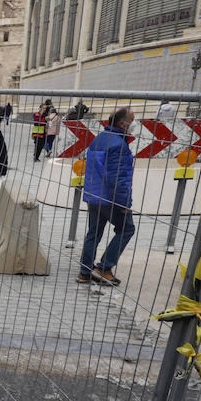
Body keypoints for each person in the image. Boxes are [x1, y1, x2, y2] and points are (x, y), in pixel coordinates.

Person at [78, 106, 137, 287]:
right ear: (122, 123)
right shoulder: (119, 145)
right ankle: (104, 268)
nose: (133, 126)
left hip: (93, 195)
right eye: (131, 122)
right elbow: (118, 178)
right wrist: (125, 203)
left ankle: (85, 272)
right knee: (127, 229)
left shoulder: (99, 140)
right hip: (110, 198)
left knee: (93, 233)